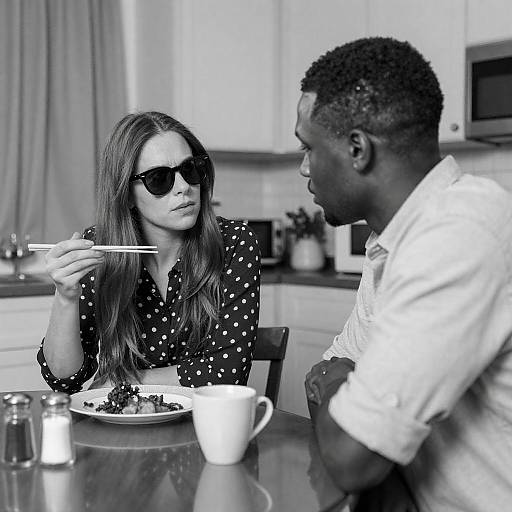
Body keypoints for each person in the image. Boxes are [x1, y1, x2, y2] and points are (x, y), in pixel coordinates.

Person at [298, 37, 512, 510]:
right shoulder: (390, 243)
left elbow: (349, 455)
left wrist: (339, 382)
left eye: (309, 147)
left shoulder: (458, 233)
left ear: (358, 149)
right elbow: (321, 384)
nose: (303, 166)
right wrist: (339, 385)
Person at [37, 111, 261, 393]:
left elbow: (228, 372)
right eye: (159, 179)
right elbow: (64, 379)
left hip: (204, 424)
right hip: (123, 428)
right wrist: (65, 297)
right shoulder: (99, 248)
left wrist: (122, 381)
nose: (184, 188)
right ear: (126, 193)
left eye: (190, 170)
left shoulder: (233, 243)